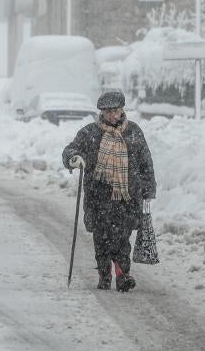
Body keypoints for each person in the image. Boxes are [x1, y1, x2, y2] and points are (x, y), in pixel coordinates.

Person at [62, 90, 156, 292]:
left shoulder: (133, 132)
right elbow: (70, 149)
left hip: (127, 196)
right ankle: (104, 275)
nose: (114, 115)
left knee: (122, 239)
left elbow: (145, 162)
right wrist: (74, 158)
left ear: (122, 109)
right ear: (102, 112)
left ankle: (123, 276)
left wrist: (148, 189)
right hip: (99, 197)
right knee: (102, 239)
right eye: (110, 112)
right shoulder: (90, 133)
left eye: (117, 110)